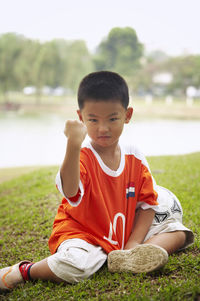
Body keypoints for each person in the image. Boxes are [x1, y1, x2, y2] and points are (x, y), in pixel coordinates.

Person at [0, 71, 194, 290]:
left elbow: (148, 204)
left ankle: (128, 258)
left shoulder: (135, 156)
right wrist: (73, 144)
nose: (103, 128)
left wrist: (132, 244)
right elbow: (71, 191)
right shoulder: (82, 154)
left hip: (123, 234)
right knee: (74, 266)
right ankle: (23, 271)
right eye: (93, 120)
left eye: (113, 118)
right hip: (84, 234)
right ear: (81, 117)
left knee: (178, 232)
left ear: (127, 115)